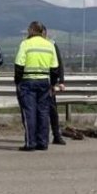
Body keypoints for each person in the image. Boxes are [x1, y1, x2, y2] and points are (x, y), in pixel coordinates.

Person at [14, 21, 59, 151]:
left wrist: (18, 82)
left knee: (29, 112)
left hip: (28, 81)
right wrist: (52, 84)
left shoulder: (25, 44)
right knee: (43, 112)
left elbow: (19, 65)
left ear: (32, 30)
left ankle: (30, 143)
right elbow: (55, 68)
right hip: (44, 81)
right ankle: (43, 142)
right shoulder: (49, 45)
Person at [41, 25, 67, 145]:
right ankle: (40, 136)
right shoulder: (29, 44)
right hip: (36, 82)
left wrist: (60, 81)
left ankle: (56, 134)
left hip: (48, 83)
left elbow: (58, 64)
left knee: (52, 110)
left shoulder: (51, 44)